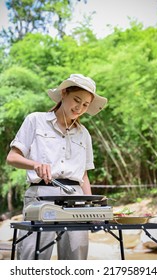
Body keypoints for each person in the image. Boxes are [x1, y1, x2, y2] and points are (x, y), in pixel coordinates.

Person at [6, 73, 107, 260]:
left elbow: (83, 175)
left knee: (75, 260)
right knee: (32, 258)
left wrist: (92, 207)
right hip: (41, 196)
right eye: (77, 100)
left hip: (76, 199)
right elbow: (12, 157)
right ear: (64, 93)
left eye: (85, 105)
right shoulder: (35, 120)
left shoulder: (84, 134)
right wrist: (35, 164)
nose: (80, 108)